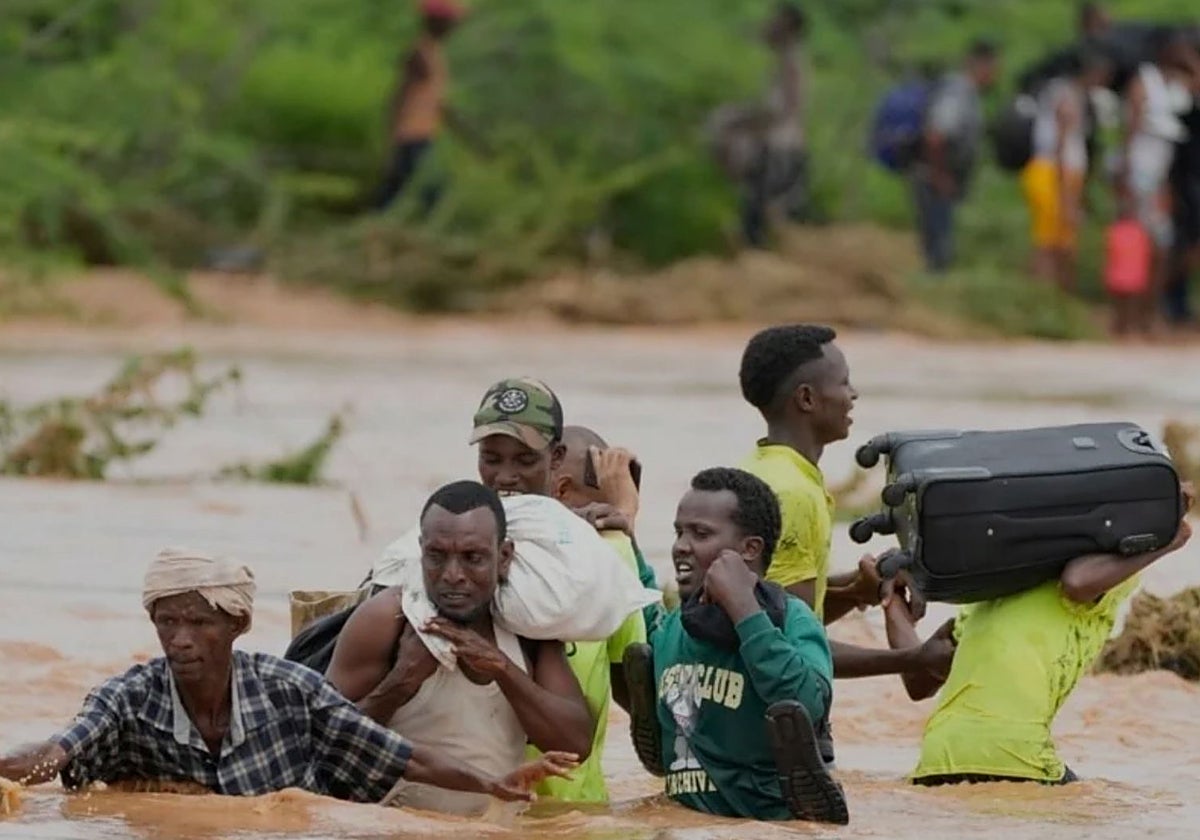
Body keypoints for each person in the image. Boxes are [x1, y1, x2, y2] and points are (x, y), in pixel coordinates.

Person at [0, 549, 577, 801]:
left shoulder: (292, 691)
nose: (179, 638)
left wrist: (489, 783)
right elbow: (56, 752)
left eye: (197, 622)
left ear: (237, 625)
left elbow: (403, 756)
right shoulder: (127, 699)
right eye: (167, 621)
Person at [737, 325, 955, 759]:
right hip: (778, 732)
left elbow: (766, 613)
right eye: (842, 382)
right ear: (806, 399)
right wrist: (912, 659)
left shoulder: (759, 468)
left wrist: (855, 591)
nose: (853, 394)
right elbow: (789, 654)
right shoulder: (796, 494)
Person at [887, 485, 1193, 786]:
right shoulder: (1097, 583)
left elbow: (919, 680)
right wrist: (1167, 541)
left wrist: (892, 604)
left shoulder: (990, 590)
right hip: (1017, 755)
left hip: (938, 757)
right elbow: (1077, 582)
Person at [325, 480, 593, 816]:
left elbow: (574, 746)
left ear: (504, 557)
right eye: (437, 557)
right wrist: (400, 684)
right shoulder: (387, 620)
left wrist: (501, 667)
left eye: (473, 558)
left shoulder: (528, 629)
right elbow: (323, 746)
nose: (453, 575)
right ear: (421, 551)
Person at [624, 467, 847, 823]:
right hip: (685, 820)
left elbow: (808, 703)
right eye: (679, 532)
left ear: (749, 549)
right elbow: (638, 600)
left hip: (770, 822)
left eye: (700, 533)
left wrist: (745, 609)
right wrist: (625, 535)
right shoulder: (673, 628)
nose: (681, 546)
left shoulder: (793, 619)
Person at [529, 424, 647, 803]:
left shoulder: (481, 554)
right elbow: (640, 699)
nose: (605, 518)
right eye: (601, 504)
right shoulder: (612, 554)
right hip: (576, 801)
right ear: (562, 490)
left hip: (496, 804)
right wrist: (626, 520)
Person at [1119, 29, 1200, 335]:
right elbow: (1131, 132)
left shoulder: (1173, 88)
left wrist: (1191, 65)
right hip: (1139, 175)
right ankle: (1128, 320)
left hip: (1160, 178)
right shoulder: (1145, 83)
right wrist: (1125, 177)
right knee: (1138, 249)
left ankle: (1148, 315)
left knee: (1161, 250)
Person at [1021, 50, 1114, 291]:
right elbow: (1061, 145)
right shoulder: (1067, 97)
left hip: (1059, 174)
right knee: (1049, 243)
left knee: (1059, 241)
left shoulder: (1063, 92)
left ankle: (1051, 299)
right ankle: (1044, 298)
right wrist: (1066, 196)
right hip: (1054, 173)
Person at [912, 39, 1001, 273]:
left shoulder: (967, 94)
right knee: (939, 247)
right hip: (936, 179)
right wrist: (940, 175)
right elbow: (936, 135)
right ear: (981, 66)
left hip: (943, 177)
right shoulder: (957, 92)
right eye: (993, 69)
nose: (995, 76)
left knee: (940, 240)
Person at [372, 0, 464, 212]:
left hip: (422, 131)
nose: (453, 28)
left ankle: (377, 222)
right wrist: (392, 127)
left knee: (397, 185)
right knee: (428, 187)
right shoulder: (420, 53)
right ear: (435, 23)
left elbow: (435, 100)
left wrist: (462, 128)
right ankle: (380, 223)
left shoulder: (433, 53)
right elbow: (401, 93)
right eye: (450, 22)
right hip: (411, 131)